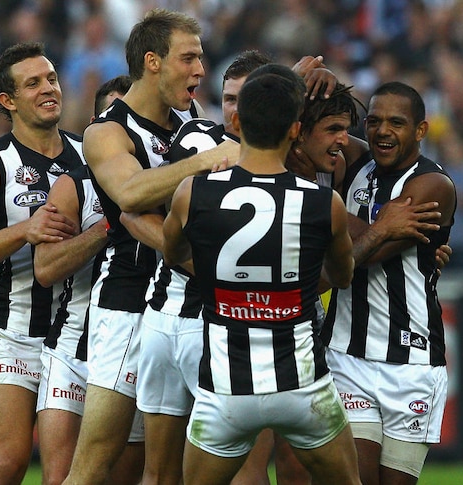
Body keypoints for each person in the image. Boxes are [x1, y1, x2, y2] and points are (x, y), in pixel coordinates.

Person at [62, 9, 240, 485]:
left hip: (183, 301)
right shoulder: (107, 130)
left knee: (174, 467)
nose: (200, 69)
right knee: (97, 458)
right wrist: (205, 161)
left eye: (200, 58)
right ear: (153, 62)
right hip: (126, 302)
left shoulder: (193, 118)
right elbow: (131, 194)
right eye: (189, 58)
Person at [162, 69, 360, 485]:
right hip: (302, 389)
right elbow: (342, 275)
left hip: (224, 391)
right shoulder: (326, 203)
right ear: (295, 130)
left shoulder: (191, 193)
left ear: (235, 123)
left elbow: (175, 253)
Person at [0, 42, 85, 485]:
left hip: (80, 334)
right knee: (8, 464)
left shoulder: (90, 155)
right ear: (7, 102)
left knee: (62, 473)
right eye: (33, 84)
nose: (49, 89)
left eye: (51, 79)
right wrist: (22, 231)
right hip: (15, 330)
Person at [320, 81, 457, 485]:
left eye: (397, 123)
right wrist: (317, 76)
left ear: (420, 130)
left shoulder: (433, 185)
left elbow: (372, 252)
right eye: (375, 121)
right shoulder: (357, 162)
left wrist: (321, 205)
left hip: (412, 362)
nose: (383, 131)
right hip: (347, 356)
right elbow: (304, 135)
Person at [32, 76, 140, 485]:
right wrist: (108, 227)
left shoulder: (164, 183)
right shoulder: (73, 185)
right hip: (73, 346)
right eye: (115, 119)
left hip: (132, 344)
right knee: (59, 478)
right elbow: (45, 269)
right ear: (96, 124)